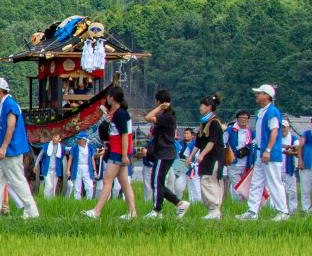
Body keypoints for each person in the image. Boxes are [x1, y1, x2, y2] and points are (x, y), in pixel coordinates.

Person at [0, 77, 38, 219]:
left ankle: (31, 211)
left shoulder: (10, 104)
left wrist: (4, 147)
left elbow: (11, 126)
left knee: (17, 180)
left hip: (9, 150)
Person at [84, 87, 138, 220]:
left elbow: (125, 135)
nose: (107, 99)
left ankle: (97, 211)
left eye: (108, 96)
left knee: (108, 179)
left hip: (118, 152)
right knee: (124, 182)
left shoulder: (120, 114)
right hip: (119, 151)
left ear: (112, 98)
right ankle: (132, 212)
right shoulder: (119, 113)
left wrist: (125, 155)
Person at [243, 84, 293, 221]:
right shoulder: (262, 112)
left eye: (259, 93)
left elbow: (274, 131)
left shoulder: (272, 112)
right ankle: (252, 211)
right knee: (256, 182)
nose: (257, 95)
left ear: (266, 96)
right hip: (261, 152)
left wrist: (268, 150)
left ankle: (283, 211)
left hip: (269, 153)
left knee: (274, 182)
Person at [185, 93, 226, 219]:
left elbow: (211, 142)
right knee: (206, 180)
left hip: (213, 157)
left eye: (202, 106)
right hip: (206, 158)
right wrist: (191, 155)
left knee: (209, 181)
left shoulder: (214, 123)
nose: (200, 108)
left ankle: (214, 209)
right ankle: (212, 210)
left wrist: (201, 155)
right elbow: (199, 142)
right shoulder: (204, 123)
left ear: (208, 107)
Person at [141, 87, 180, 218]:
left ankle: (157, 210)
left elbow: (148, 117)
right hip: (163, 153)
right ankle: (179, 203)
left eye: (156, 102)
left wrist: (160, 108)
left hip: (165, 153)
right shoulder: (167, 116)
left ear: (159, 102)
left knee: (157, 182)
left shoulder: (167, 117)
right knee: (156, 182)